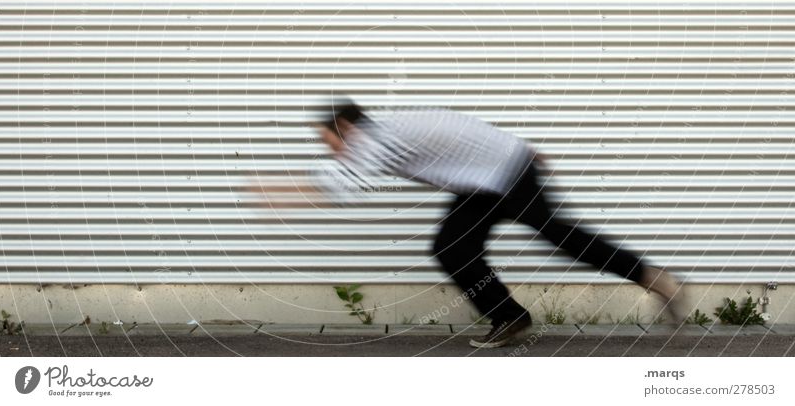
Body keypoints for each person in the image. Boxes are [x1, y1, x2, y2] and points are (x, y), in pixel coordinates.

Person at [246, 99, 685, 349]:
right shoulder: (389, 127)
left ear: (345, 127)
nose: (333, 151)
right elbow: (457, 126)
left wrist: (277, 193)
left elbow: (342, 185)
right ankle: (510, 318)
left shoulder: (373, 136)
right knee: (452, 248)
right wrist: (520, 146)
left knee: (563, 239)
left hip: (507, 176)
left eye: (330, 143)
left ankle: (656, 279)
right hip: (487, 180)